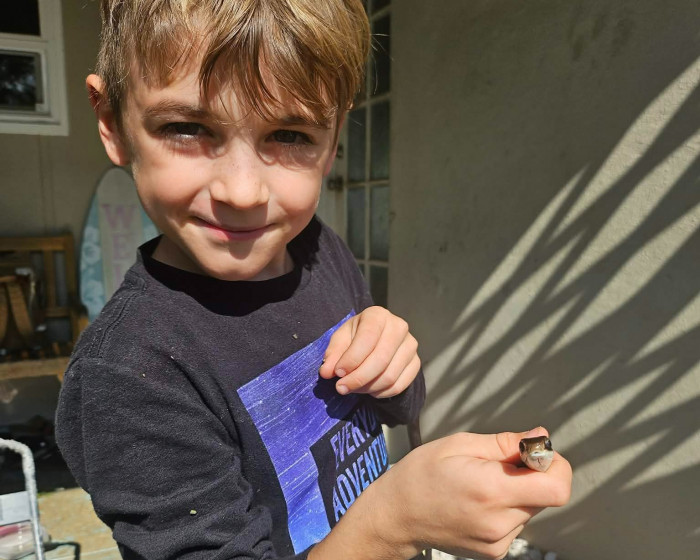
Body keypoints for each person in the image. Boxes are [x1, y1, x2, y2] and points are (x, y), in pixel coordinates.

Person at [56, 1, 573, 559]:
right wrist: (394, 524)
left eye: (290, 134)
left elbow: (397, 410)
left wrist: (393, 367)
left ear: (332, 141)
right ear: (112, 122)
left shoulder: (315, 249)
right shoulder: (131, 376)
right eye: (186, 128)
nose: (243, 192)